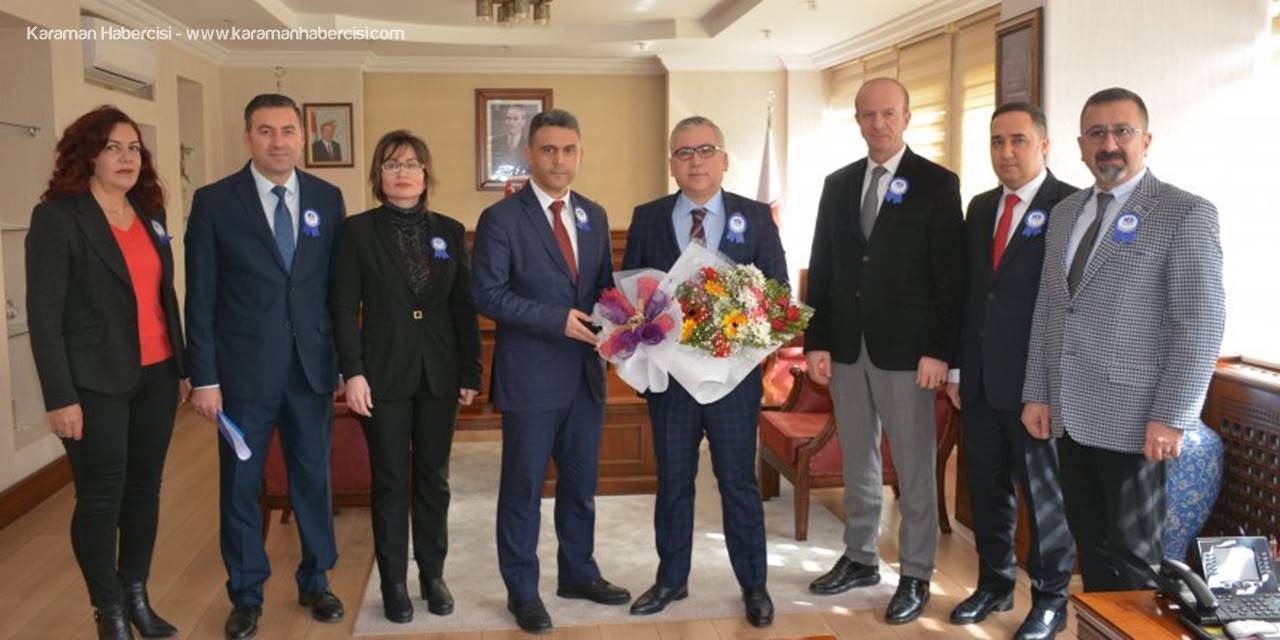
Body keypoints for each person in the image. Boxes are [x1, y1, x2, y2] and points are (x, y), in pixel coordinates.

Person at [1022, 87, 1224, 594]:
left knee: (1136, 559)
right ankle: (1099, 628)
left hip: (1137, 421)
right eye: (1096, 133)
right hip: (1070, 414)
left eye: (1122, 131)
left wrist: (1172, 415)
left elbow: (1200, 323)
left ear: (1146, 140)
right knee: (1089, 547)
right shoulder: (1065, 213)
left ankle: (1134, 629)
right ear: (1080, 146)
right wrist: (1038, 392)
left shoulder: (1184, 212)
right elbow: (1049, 308)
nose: (1108, 144)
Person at [185, 93, 347, 640]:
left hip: (311, 370)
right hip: (241, 378)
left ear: (302, 137)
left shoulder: (327, 198)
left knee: (313, 479)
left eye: (287, 131)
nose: (278, 142)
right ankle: (246, 593)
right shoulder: (214, 202)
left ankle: (316, 580)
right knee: (241, 485)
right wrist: (205, 378)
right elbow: (200, 298)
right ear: (248, 137)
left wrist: (344, 362)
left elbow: (336, 291)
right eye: (265, 131)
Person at [803, 77, 964, 624]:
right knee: (858, 459)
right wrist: (817, 340)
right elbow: (824, 264)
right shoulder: (839, 184)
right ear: (857, 121)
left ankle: (916, 573)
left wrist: (939, 350)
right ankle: (860, 557)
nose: (878, 124)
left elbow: (949, 277)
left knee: (914, 468)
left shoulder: (937, 183)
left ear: (907, 117)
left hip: (909, 354)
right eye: (868, 115)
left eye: (888, 113)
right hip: (848, 348)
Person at [26, 106, 188, 640]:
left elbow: (163, 296)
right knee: (100, 497)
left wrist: (182, 366)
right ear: (87, 155)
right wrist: (59, 396)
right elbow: (44, 317)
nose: (126, 158)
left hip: (157, 374)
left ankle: (137, 595)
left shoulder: (149, 210)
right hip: (93, 382)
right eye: (113, 147)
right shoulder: (58, 218)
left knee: (144, 490)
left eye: (134, 148)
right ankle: (110, 610)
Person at [621, 116, 786, 628]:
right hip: (670, 383)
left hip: (732, 382)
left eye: (705, 149)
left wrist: (737, 330)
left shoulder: (755, 216)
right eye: (684, 152)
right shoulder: (647, 217)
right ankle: (672, 579)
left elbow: (777, 293)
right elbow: (631, 291)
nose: (695, 160)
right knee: (673, 481)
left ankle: (753, 584)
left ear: (724, 159)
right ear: (672, 163)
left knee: (738, 482)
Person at [472, 108, 630, 634]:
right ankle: (522, 591)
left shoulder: (594, 215)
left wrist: (628, 320)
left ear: (580, 154)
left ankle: (578, 574)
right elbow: (488, 294)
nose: (559, 160)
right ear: (529, 154)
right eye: (548, 150)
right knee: (523, 491)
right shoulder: (502, 219)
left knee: (580, 487)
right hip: (530, 379)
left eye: (568, 150)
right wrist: (556, 320)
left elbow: (603, 288)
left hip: (586, 376)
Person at [331, 130, 482, 623]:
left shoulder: (449, 231)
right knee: (391, 481)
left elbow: (463, 307)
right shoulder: (357, 231)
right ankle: (393, 582)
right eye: (392, 164)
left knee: (434, 480)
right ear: (379, 175)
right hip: (382, 374)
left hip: (440, 373)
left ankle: (432, 575)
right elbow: (343, 308)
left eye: (412, 164)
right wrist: (352, 372)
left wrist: (471, 369)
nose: (403, 173)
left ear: (425, 174)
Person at [944, 102, 1077, 640]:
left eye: (1018, 140)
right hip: (979, 382)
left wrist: (1046, 387)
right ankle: (994, 583)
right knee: (987, 490)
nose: (1006, 152)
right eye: (997, 141)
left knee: (1045, 502)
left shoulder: (1070, 206)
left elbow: (1068, 307)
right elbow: (969, 294)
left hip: (1035, 388)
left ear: (1044, 145)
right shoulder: (980, 208)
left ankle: (1049, 602)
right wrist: (957, 369)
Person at [489, 104, 530, 178]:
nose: (511, 123)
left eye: (515, 119)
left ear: (523, 122)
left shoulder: (530, 144)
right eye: (508, 118)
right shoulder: (494, 142)